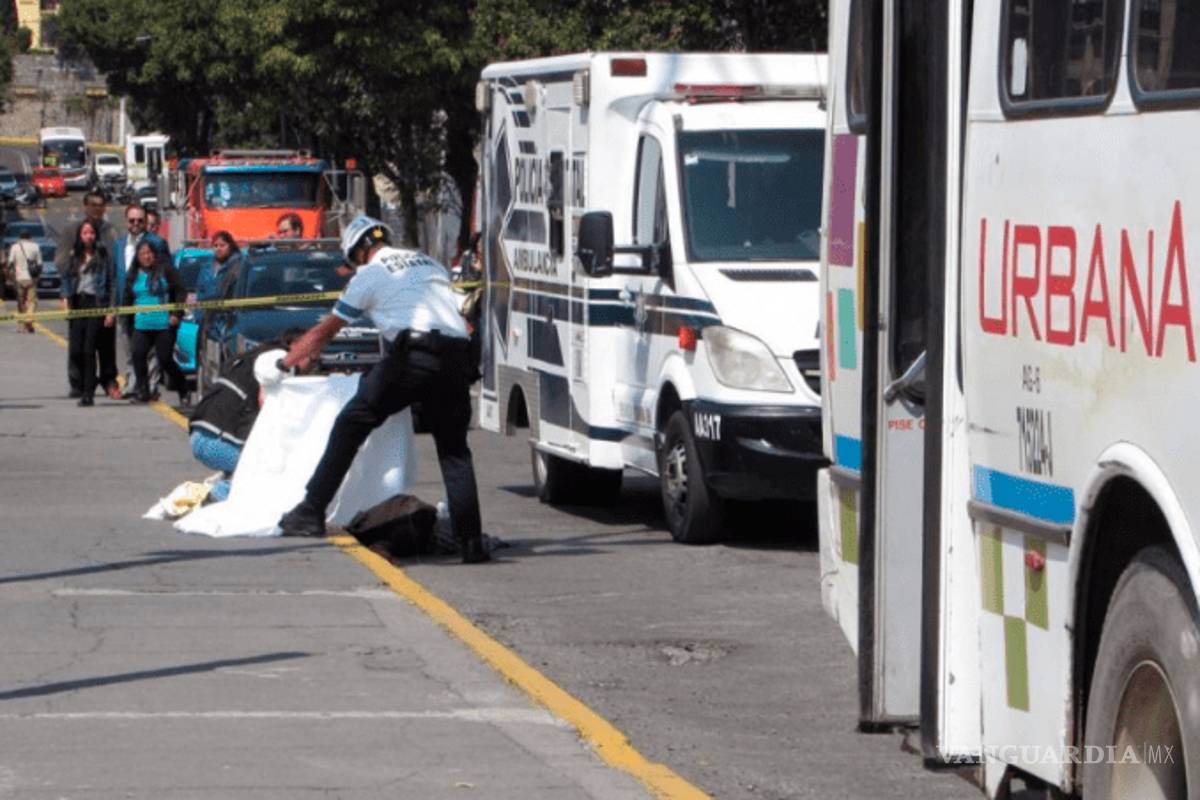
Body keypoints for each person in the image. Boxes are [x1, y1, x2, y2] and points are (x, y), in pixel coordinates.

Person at [276, 215, 488, 563]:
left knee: (352, 422)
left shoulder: (370, 274)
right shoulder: (429, 263)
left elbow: (324, 332)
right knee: (454, 450)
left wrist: (288, 362)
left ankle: (310, 511)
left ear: (359, 252)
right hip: (454, 356)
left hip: (413, 357)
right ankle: (471, 542)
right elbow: (461, 319)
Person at [188, 335, 302, 501]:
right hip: (215, 443)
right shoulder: (277, 361)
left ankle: (223, 486)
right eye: (311, 356)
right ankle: (217, 496)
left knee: (258, 465)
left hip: (202, 437)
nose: (312, 363)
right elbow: (266, 401)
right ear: (295, 346)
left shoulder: (253, 358)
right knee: (269, 470)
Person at [122, 234, 188, 405]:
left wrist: (176, 314)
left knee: (165, 359)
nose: (146, 256)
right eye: (142, 253)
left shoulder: (166, 270)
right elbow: (127, 300)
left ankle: (183, 389)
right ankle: (143, 391)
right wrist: (127, 324)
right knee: (138, 355)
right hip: (141, 325)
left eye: (149, 253)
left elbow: (181, 291)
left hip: (163, 325)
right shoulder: (133, 275)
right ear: (138, 256)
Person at [60, 219, 116, 406]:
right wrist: (66, 301)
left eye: (91, 232)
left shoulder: (103, 256)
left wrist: (110, 311)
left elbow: (111, 283)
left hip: (96, 303)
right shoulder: (74, 256)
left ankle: (88, 392)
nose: (88, 236)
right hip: (78, 304)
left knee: (89, 349)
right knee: (76, 349)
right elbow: (66, 279)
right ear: (79, 236)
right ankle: (84, 383)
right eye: (85, 233)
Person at [8, 228, 41, 334]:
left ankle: (21, 326)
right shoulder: (35, 246)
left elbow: (10, 263)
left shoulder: (15, 247)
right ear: (29, 237)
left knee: (21, 302)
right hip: (31, 278)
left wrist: (10, 277)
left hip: (19, 278)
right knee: (32, 302)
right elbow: (40, 264)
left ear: (20, 237)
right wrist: (38, 277)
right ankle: (29, 323)